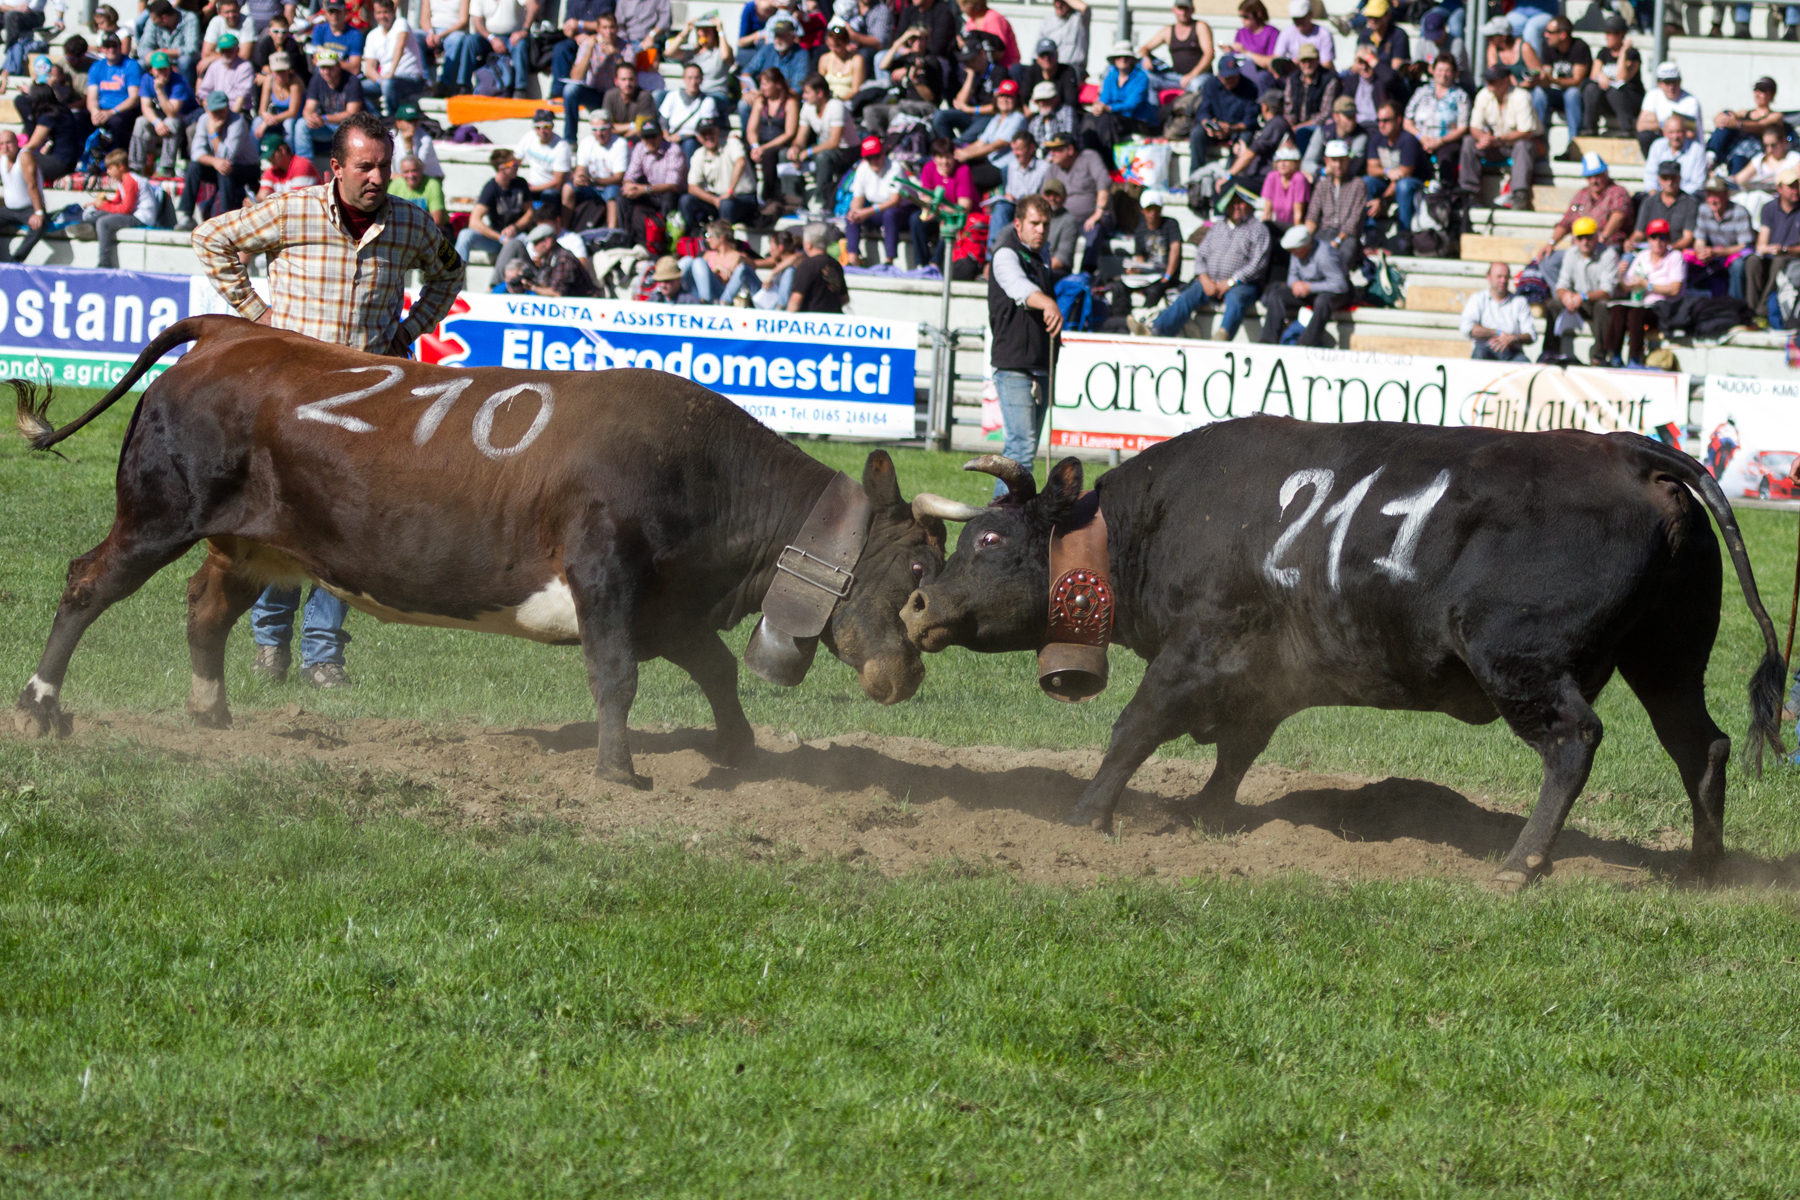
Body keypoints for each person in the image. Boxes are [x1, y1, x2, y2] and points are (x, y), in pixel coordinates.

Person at [191, 111, 461, 689]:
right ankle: (270, 645)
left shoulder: (411, 223)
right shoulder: (293, 210)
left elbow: (448, 275)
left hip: (366, 399)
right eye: (365, 166)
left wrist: (409, 332)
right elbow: (211, 238)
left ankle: (323, 654)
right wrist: (260, 317)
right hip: (287, 398)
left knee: (344, 528)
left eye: (384, 166)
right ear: (336, 167)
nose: (377, 177)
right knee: (276, 521)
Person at [987, 194, 1063, 490]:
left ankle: (1011, 520)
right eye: (1034, 223)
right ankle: (1000, 520)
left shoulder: (1042, 257)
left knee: (1024, 451)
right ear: (1018, 223)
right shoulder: (1005, 255)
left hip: (1039, 365)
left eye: (1045, 224)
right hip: (1014, 365)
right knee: (1020, 451)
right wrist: (1048, 304)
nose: (1041, 230)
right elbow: (1020, 289)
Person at [1138, 184, 1268, 341]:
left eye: (1240, 203)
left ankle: (1223, 336)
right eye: (1232, 203)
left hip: (1242, 284)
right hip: (1210, 281)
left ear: (1248, 205)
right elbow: (1200, 255)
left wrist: (1231, 281)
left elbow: (1258, 263)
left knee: (1236, 299)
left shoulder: (1258, 229)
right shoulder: (1217, 227)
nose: (1236, 207)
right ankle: (1156, 330)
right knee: (1187, 296)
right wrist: (1204, 278)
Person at [174, 91, 261, 229]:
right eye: (215, 111)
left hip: (247, 168)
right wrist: (214, 162)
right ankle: (185, 215)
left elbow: (227, 156)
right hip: (222, 165)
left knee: (225, 169)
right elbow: (196, 152)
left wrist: (214, 134)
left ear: (227, 107)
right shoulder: (204, 120)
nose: (219, 114)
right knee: (193, 167)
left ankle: (225, 219)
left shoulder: (238, 122)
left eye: (222, 110)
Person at [1603, 219, 1683, 366]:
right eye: (1654, 237)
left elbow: (1674, 289)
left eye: (1663, 237)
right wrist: (1621, 276)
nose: (1658, 242)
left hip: (1665, 308)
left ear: (1669, 239)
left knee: (1636, 313)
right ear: (1648, 240)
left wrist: (1647, 285)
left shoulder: (1675, 257)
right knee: (1618, 309)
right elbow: (1628, 286)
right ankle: (1614, 355)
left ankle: (1635, 357)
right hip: (1643, 305)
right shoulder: (1642, 256)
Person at [1460, 66, 1541, 211]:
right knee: (1469, 142)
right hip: (1497, 144)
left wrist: (1497, 140)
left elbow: (1527, 132)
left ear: (1505, 81)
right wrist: (1483, 138)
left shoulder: (1521, 96)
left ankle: (1519, 194)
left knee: (1523, 145)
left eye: (1493, 80)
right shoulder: (1483, 94)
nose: (1488, 83)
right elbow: (1474, 127)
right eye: (1487, 80)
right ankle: (1469, 193)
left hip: (1523, 144)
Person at [1259, 224, 1344, 346]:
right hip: (1308, 291)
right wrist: (1294, 284)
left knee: (1323, 301)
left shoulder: (1325, 255)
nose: (1291, 253)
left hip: (1331, 292)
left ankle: (1306, 343)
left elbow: (1340, 285)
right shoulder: (1296, 254)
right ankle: (1267, 340)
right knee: (1277, 295)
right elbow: (1292, 275)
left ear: (1303, 249)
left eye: (1292, 250)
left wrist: (1310, 287)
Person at [1547, 217, 1618, 364]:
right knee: (1554, 304)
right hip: (1577, 302)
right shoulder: (1570, 254)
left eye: (1589, 237)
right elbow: (1561, 285)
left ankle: (1599, 355)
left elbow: (1607, 291)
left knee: (1603, 306)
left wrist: (1583, 296)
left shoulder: (1609, 255)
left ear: (1597, 236)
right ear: (1575, 239)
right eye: (1580, 238)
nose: (1584, 241)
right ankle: (1550, 351)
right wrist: (1566, 296)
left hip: (1595, 303)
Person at [74, 148, 154, 270]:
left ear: (120, 167)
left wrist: (104, 205)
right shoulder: (121, 180)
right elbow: (118, 200)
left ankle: (104, 262)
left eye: (110, 168)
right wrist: (100, 203)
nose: (107, 172)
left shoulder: (129, 181)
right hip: (133, 212)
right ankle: (86, 226)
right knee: (101, 213)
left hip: (141, 217)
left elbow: (126, 209)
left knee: (103, 223)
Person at [1540, 153, 1631, 259]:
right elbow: (1566, 223)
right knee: (1549, 260)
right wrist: (1551, 243)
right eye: (1589, 177)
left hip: (1606, 248)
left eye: (1597, 176)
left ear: (1605, 173)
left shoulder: (1617, 192)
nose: (1594, 181)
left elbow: (1618, 215)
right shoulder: (1581, 195)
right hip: (1580, 248)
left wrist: (1602, 237)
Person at [1103, 188, 1180, 311]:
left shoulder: (1171, 224)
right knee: (1118, 286)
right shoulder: (1140, 230)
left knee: (1154, 291)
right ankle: (1121, 320)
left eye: (1157, 209)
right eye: (1149, 209)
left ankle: (1144, 320)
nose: (1153, 213)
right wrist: (1134, 269)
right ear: (1142, 210)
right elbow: (1140, 256)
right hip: (1148, 275)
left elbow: (1175, 249)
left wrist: (1168, 275)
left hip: (1164, 275)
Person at [1403, 53, 1467, 188]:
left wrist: (1441, 141)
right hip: (1421, 138)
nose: (1443, 75)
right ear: (1432, 70)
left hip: (1447, 140)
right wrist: (1421, 137)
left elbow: (1462, 127)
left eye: (1448, 71)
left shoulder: (1461, 96)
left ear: (1454, 73)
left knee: (1446, 157)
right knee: (1410, 148)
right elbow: (1407, 121)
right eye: (1440, 70)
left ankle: (1445, 192)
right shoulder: (1421, 92)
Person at [845, 134, 911, 264]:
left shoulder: (895, 167)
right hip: (879, 210)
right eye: (869, 158)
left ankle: (889, 260)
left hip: (903, 210)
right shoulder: (862, 169)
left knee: (890, 215)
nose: (874, 161)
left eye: (876, 156)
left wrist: (866, 212)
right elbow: (858, 199)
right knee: (851, 215)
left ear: (883, 153)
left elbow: (895, 201)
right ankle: (853, 257)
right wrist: (855, 212)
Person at [681, 117, 757, 228]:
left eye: (710, 132)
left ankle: (724, 240)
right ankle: (690, 239)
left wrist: (730, 191)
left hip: (743, 197)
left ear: (717, 131)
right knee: (686, 200)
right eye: (704, 134)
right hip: (718, 199)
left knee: (725, 204)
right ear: (698, 138)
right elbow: (692, 187)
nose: (708, 136)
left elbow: (740, 162)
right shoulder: (699, 154)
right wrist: (714, 200)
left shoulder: (732, 143)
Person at [790, 73, 849, 214]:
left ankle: (821, 202)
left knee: (823, 157)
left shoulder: (836, 106)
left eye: (807, 92)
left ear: (820, 93)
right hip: (824, 150)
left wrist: (809, 152)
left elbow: (835, 142)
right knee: (784, 155)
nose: (803, 96)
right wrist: (795, 149)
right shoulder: (807, 108)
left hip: (847, 151)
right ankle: (793, 201)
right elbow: (801, 138)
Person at [1744, 167, 1800, 317]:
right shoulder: (1769, 208)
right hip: (1772, 255)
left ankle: (1762, 311)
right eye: (1791, 187)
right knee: (1752, 261)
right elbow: (1762, 240)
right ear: (1780, 189)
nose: (1795, 190)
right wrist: (1764, 248)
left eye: (1797, 185)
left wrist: (1785, 249)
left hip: (1792, 257)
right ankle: (1750, 311)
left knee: (1780, 262)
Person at [910, 137, 974, 268]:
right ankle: (921, 264)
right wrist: (933, 211)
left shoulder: (963, 170)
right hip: (938, 213)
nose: (944, 161)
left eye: (948, 157)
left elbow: (964, 206)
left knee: (949, 225)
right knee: (915, 220)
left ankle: (935, 263)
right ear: (934, 158)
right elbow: (925, 197)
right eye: (940, 157)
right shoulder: (928, 168)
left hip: (958, 217)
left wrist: (942, 212)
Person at [456, 147, 530, 259]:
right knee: (465, 235)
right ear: (502, 168)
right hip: (497, 238)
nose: (517, 167)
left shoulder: (521, 183)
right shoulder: (491, 187)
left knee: (526, 240)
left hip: (517, 236)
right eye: (513, 164)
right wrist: (500, 238)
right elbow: (474, 222)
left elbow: (530, 213)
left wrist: (515, 227)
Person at [621, 118, 686, 244]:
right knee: (622, 195)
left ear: (661, 135)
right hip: (649, 192)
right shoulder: (640, 148)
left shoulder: (674, 150)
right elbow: (629, 176)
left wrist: (644, 189)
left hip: (672, 194)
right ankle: (625, 235)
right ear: (641, 138)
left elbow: (673, 185)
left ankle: (667, 239)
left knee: (668, 197)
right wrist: (629, 186)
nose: (650, 141)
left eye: (653, 136)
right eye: (646, 137)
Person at [1304, 137, 1366, 269]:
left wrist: (1337, 240)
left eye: (1341, 160)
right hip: (1324, 233)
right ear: (1327, 161)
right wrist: (1305, 238)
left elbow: (1354, 221)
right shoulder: (1322, 185)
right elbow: (1312, 216)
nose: (1338, 165)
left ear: (1348, 160)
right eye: (1334, 160)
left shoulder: (1358, 184)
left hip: (1347, 237)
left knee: (1344, 256)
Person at [130, 51, 194, 177]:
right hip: (161, 118)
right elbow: (145, 107)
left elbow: (172, 112)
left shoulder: (178, 81)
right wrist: (156, 122)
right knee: (141, 121)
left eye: (165, 69)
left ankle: (167, 168)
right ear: (151, 70)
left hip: (184, 119)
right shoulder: (146, 79)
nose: (163, 73)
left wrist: (159, 90)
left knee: (171, 122)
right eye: (159, 70)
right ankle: (136, 167)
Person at [1191, 54, 1259, 168]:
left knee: (1246, 137)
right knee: (1197, 133)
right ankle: (1196, 176)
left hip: (1237, 130)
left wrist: (1231, 129)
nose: (1231, 81)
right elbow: (1203, 112)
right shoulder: (1210, 85)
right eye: (1227, 78)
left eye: (1234, 76)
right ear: (1219, 76)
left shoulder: (1250, 87)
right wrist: (1209, 125)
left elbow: (1250, 120)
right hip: (1215, 129)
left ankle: (1230, 176)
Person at [1364, 100, 1422, 235]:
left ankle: (1404, 234)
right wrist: (1386, 171)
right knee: (1366, 182)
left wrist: (1383, 201)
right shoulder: (1377, 139)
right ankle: (1370, 231)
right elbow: (1371, 169)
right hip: (1387, 183)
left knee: (1403, 186)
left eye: (1386, 120)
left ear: (1398, 120)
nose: (1381, 125)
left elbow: (1403, 175)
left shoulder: (1408, 140)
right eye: (1379, 121)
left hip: (1413, 185)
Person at [1707, 78, 1783, 178]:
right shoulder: (1744, 113)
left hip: (1754, 153)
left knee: (1738, 159)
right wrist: (1719, 118)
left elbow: (1761, 125)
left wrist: (1738, 124)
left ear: (1772, 94)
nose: (1757, 94)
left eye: (1762, 91)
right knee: (1726, 114)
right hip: (1735, 149)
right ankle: (1711, 155)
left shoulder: (1776, 116)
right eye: (1756, 90)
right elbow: (1728, 117)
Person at [1693, 175, 1754, 300]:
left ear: (1726, 195)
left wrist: (1717, 252)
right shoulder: (1704, 209)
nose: (1712, 200)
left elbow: (1745, 245)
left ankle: (1735, 305)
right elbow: (1699, 240)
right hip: (1714, 255)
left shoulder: (1739, 212)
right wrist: (1701, 252)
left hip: (1733, 255)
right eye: (1709, 195)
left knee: (1738, 265)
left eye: (1717, 196)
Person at [301, 47, 366, 163]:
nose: (326, 72)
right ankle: (306, 166)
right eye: (323, 68)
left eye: (330, 68)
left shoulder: (352, 81)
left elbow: (352, 113)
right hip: (327, 126)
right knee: (301, 125)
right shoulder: (316, 80)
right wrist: (310, 118)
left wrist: (324, 118)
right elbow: (308, 108)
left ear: (338, 66)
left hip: (349, 127)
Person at [1459, 260, 1535, 360]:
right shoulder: (1477, 299)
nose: (1503, 280)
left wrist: (1514, 338)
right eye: (1499, 276)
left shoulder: (1519, 302)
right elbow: (1467, 328)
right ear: (1488, 277)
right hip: (1485, 350)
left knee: (1524, 363)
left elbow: (1531, 335)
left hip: (1512, 352)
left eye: (1506, 277)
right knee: (1479, 354)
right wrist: (1497, 333)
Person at [1530, 17, 1589, 146]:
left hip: (1578, 96)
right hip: (1557, 93)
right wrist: (1540, 79)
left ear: (1562, 35)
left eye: (1550, 32)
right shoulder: (1549, 46)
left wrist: (1552, 80)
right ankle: (1537, 139)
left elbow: (1577, 81)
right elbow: (1547, 74)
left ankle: (1573, 143)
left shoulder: (1580, 47)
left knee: (1572, 94)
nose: (1546, 35)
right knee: (1539, 92)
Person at [360, 0, 425, 117]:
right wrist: (380, 81)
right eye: (378, 12)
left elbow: (400, 45)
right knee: (356, 87)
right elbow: (369, 69)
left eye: (385, 12)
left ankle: (393, 118)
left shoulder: (401, 23)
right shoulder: (372, 35)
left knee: (389, 84)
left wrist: (391, 72)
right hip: (386, 81)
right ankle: (377, 118)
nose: (382, 16)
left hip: (410, 79)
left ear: (393, 12)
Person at [1582, 14, 1640, 137]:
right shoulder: (1603, 53)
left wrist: (1623, 52)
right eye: (1606, 32)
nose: (1606, 36)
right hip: (1608, 99)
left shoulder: (1633, 54)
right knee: (1591, 88)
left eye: (1610, 33)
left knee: (1614, 91)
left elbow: (1621, 78)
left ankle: (1627, 130)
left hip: (1628, 99)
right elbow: (1594, 75)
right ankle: (1589, 128)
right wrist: (1600, 76)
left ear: (1620, 34)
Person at [1138, 0, 1213, 94]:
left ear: (1192, 10)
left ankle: (1191, 108)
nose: (1183, 12)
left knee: (1196, 84)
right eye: (1180, 8)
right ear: (1174, 10)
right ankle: (1154, 108)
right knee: (1148, 80)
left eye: (1186, 9)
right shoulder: (1168, 31)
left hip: (1199, 76)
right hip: (1176, 77)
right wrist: (1146, 59)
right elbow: (1144, 48)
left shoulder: (1200, 26)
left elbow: (1209, 54)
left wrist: (1191, 75)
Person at [665, 12, 735, 109]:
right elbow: (669, 53)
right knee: (660, 95)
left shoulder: (720, 50)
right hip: (692, 93)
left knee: (707, 103)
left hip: (714, 95)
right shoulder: (691, 51)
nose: (702, 33)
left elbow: (726, 56)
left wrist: (720, 30)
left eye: (706, 30)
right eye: (699, 30)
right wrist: (686, 31)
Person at [85, 33, 142, 153]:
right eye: (107, 46)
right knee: (79, 118)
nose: (111, 49)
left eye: (114, 46)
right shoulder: (96, 67)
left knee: (117, 122)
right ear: (102, 49)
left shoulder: (131, 65)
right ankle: (84, 158)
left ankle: (118, 156)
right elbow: (92, 97)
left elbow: (134, 98)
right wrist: (95, 112)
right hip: (102, 109)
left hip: (124, 110)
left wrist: (111, 112)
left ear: (120, 47)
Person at [467, 0, 535, 100]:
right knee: (470, 41)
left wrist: (524, 30)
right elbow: (477, 23)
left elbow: (533, 6)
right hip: (489, 38)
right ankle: (464, 85)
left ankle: (520, 89)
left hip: (513, 36)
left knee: (520, 45)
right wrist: (491, 38)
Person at [508, 221, 596, 296]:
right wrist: (529, 282)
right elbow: (547, 285)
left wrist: (532, 287)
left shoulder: (564, 259)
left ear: (547, 242)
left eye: (536, 243)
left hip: (587, 309)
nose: (534, 248)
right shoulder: (550, 259)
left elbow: (557, 293)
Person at [0, 130, 49, 265]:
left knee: (39, 227)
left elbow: (32, 185)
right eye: (2, 144)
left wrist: (38, 212)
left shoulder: (25, 156)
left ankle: (14, 262)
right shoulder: (2, 156)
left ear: (17, 142)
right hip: (9, 209)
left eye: (9, 143)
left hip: (29, 208)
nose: (5, 147)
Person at [991, 129, 1049, 242]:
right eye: (1013, 150)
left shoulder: (1044, 168)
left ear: (1031, 148)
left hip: (1033, 210)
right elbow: (1010, 191)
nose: (1015, 154)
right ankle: (992, 252)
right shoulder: (1012, 166)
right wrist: (1008, 196)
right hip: (1015, 208)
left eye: (1018, 149)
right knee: (1001, 208)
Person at [1226, 89, 1291, 190]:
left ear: (1265, 107)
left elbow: (1251, 153)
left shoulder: (1275, 124)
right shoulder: (1276, 124)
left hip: (1265, 179)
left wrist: (1228, 176)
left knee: (1226, 187)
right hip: (1258, 176)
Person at [683, 217, 757, 303]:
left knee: (698, 262)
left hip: (723, 295)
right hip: (702, 293)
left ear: (721, 238)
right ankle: (703, 300)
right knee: (690, 261)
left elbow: (736, 278)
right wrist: (716, 269)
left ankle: (706, 301)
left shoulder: (738, 257)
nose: (707, 240)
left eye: (709, 236)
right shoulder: (708, 255)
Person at [1630, 160, 1699, 252]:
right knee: (1626, 260)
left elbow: (1688, 238)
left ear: (1679, 178)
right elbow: (1639, 233)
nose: (1669, 182)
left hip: (1676, 251)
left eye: (1673, 178)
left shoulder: (1690, 203)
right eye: (1665, 178)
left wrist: (1668, 249)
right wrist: (1632, 242)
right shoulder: (1649, 202)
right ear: (1659, 179)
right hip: (1650, 250)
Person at [1637, 61, 1702, 156]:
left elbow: (1690, 134)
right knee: (1645, 136)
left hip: (1686, 149)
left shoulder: (1690, 101)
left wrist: (1661, 125)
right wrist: (1670, 125)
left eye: (1674, 82)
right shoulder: (1652, 95)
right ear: (1659, 83)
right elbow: (1641, 125)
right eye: (1667, 82)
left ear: (1680, 81)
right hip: (1665, 142)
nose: (1671, 87)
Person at [1283, 43, 1339, 151]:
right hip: (1295, 125)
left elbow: (1325, 114)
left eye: (1311, 61)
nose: (1307, 65)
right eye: (1304, 61)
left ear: (1318, 60)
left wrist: (1299, 127)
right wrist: (1291, 125)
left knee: (1302, 133)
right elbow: (1287, 107)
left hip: (1319, 126)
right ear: (1299, 62)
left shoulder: (1329, 79)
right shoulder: (1292, 79)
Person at [1299, 96, 1366, 180]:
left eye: (1354, 116)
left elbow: (1354, 167)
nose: (1352, 120)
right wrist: (1323, 171)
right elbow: (1306, 163)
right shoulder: (1322, 132)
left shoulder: (1360, 135)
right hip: (1323, 177)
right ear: (1335, 117)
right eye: (1348, 116)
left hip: (1348, 180)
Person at [661, 63, 716, 160]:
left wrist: (682, 136)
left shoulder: (708, 101)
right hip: (671, 138)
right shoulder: (672, 96)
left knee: (689, 144)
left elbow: (706, 129)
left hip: (694, 140)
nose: (693, 82)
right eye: (689, 78)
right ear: (683, 79)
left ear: (702, 79)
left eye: (697, 78)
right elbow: (663, 121)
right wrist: (667, 137)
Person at [515, 109, 571, 205]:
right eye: (538, 127)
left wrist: (530, 189)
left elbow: (558, 183)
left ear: (552, 126)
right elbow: (515, 161)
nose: (542, 131)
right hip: (531, 186)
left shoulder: (561, 146)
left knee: (549, 195)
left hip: (550, 190)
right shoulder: (529, 137)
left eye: (546, 127)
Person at [789, 220, 848, 312]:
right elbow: (844, 298)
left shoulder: (807, 265)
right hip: (833, 320)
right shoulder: (835, 264)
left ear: (809, 244)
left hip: (810, 321)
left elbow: (796, 300)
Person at [1644, 115, 1706, 197]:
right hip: (1659, 197)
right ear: (1664, 133)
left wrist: (1675, 196)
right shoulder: (1657, 146)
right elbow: (1650, 176)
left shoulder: (1697, 150)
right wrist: (1657, 197)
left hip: (1687, 198)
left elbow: (1698, 183)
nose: (1675, 136)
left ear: (1685, 131)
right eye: (1671, 132)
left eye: (1679, 132)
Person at [138, 0, 200, 78]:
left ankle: (185, 88)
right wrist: (156, 57)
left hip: (182, 61)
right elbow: (143, 47)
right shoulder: (152, 22)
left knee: (184, 61)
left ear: (164, 18)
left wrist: (163, 52)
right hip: (159, 61)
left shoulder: (189, 18)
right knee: (141, 64)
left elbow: (192, 49)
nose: (152, 21)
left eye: (154, 19)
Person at [198, 32, 254, 116]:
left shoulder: (245, 67)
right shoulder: (214, 66)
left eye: (229, 50)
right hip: (214, 111)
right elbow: (204, 94)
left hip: (238, 112)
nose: (226, 54)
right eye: (223, 50)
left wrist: (227, 119)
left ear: (237, 49)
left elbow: (241, 97)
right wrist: (211, 116)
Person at [389, 151, 448, 229]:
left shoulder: (432, 185)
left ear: (421, 170)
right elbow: (388, 216)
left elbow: (437, 222)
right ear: (401, 173)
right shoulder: (395, 185)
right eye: (406, 172)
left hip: (430, 231)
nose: (410, 175)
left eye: (414, 171)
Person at [1019, 38, 1081, 112]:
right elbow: (1023, 97)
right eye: (1043, 55)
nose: (1046, 58)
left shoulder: (1067, 71)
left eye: (1050, 55)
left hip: (1060, 113)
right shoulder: (1032, 71)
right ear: (1038, 58)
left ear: (1057, 55)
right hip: (1037, 114)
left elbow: (1071, 101)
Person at [1270, 0, 1332, 75]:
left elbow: (1327, 65)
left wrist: (1304, 65)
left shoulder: (1323, 34)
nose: (1298, 21)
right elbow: (1276, 59)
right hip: (1292, 76)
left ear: (1311, 14)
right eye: (1295, 18)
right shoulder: (1286, 33)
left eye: (1301, 17)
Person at [256, 50, 304, 143]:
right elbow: (262, 110)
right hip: (276, 119)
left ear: (288, 70)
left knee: (288, 124)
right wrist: (265, 115)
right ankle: (254, 154)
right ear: (272, 71)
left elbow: (292, 113)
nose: (280, 75)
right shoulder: (268, 80)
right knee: (257, 122)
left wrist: (267, 121)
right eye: (277, 72)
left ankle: (290, 153)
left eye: (283, 71)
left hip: (295, 119)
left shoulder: (295, 82)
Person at [1409, 8, 1466, 85]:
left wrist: (1435, 70)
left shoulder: (1456, 44)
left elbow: (1455, 74)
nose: (1434, 39)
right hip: (1432, 84)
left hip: (1456, 84)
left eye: (1436, 35)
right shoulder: (1423, 41)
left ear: (1444, 28)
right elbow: (1417, 64)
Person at [1033, 0, 1090, 76]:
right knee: (1018, 70)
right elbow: (1036, 53)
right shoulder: (1048, 21)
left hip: (1072, 69)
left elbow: (1084, 8)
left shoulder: (1079, 19)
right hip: (1050, 69)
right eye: (1055, 1)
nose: (1058, 5)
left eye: (1062, 1)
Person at [1736, 125, 1800, 191]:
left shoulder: (1794, 159)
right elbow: (1739, 179)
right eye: (1766, 146)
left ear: (1783, 141)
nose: (1769, 150)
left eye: (1773, 145)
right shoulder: (1759, 159)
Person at [310, 1, 366, 75]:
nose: (334, 15)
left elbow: (354, 68)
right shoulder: (319, 30)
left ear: (345, 12)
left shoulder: (355, 35)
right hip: (324, 74)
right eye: (331, 11)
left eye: (338, 11)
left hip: (346, 77)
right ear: (325, 13)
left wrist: (329, 60)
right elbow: (316, 60)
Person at [257, 131, 319, 198]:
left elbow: (297, 202)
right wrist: (252, 202)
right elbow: (262, 196)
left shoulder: (301, 165)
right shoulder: (271, 170)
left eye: (272, 155)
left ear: (282, 150)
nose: (269, 159)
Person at [1261, 142, 1309, 225]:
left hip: (1294, 226)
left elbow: (1298, 216)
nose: (1282, 164)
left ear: (1295, 162)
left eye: (1286, 160)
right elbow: (1267, 211)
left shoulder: (1299, 179)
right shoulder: (1272, 177)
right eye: (1279, 160)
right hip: (1279, 224)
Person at [200, 0, 254, 73]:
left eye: (234, 11)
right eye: (227, 12)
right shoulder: (215, 21)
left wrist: (212, 58)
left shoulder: (247, 21)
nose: (231, 15)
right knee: (202, 68)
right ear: (219, 12)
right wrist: (229, 56)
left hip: (239, 67)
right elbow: (206, 54)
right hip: (218, 66)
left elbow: (244, 56)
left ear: (239, 9)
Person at [1357, 0, 1408, 73]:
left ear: (1388, 15)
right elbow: (1357, 67)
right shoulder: (1364, 35)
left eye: (1377, 17)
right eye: (1369, 17)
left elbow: (1395, 73)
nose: (1372, 20)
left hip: (1391, 83)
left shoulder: (1398, 35)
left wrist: (1370, 58)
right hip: (1369, 81)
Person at [1027, 79, 1079, 149]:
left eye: (1046, 99)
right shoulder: (1035, 121)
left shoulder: (1065, 112)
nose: (1041, 104)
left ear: (1056, 98)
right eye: (1038, 101)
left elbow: (1067, 138)